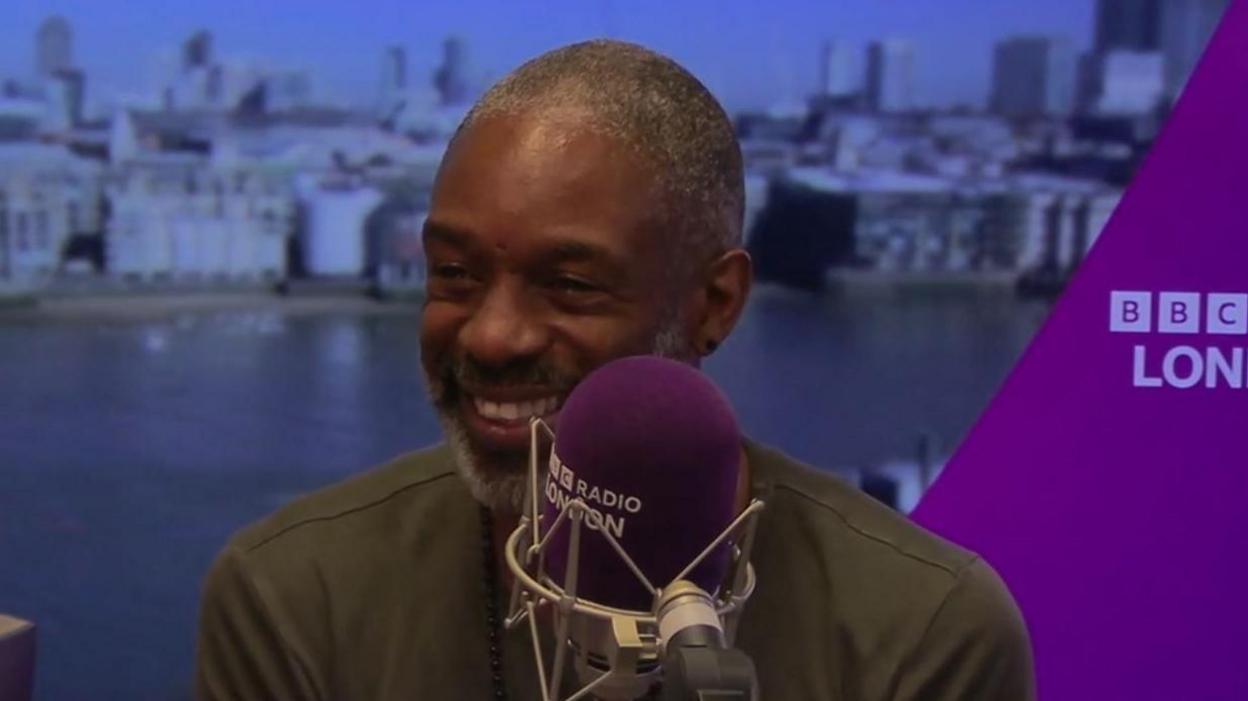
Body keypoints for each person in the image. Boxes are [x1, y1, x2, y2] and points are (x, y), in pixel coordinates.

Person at [195, 40, 1034, 700]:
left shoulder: (924, 629)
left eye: (568, 284)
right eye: (453, 274)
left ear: (715, 304)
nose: (489, 337)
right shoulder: (292, 596)